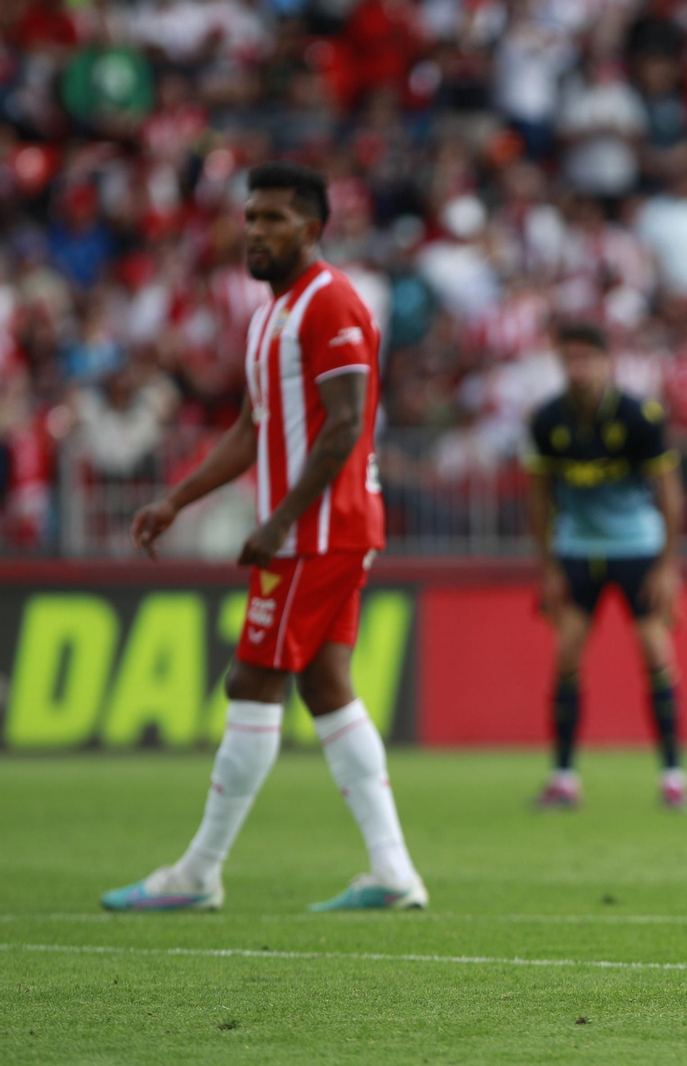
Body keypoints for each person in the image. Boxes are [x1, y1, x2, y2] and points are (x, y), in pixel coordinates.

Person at [100, 162, 426, 913]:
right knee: (325, 685)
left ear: (311, 228)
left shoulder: (330, 302)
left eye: (272, 218)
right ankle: (392, 871)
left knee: (250, 680)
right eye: (249, 217)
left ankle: (198, 872)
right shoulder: (269, 316)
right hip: (312, 529)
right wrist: (176, 500)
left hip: (318, 530)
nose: (255, 231)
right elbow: (254, 430)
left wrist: (279, 520)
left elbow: (346, 422)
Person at [525, 322, 687, 809]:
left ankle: (673, 775)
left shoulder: (640, 416)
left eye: (586, 359)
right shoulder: (546, 420)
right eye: (569, 360)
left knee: (655, 651)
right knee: (567, 655)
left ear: (605, 362)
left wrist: (667, 565)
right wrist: (548, 567)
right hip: (576, 551)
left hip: (637, 548)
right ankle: (563, 776)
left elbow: (668, 492)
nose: (578, 369)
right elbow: (536, 497)